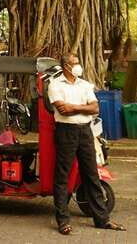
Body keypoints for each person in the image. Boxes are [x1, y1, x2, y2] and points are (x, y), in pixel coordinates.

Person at [48, 53, 125, 236]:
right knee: (62, 176)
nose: (78, 66)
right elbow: (62, 110)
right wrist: (83, 108)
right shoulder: (55, 85)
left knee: (91, 175)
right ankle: (63, 221)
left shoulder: (85, 85)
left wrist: (74, 107)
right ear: (66, 66)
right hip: (66, 131)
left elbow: (95, 108)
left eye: (78, 62)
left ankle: (102, 219)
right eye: (74, 63)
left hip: (85, 131)